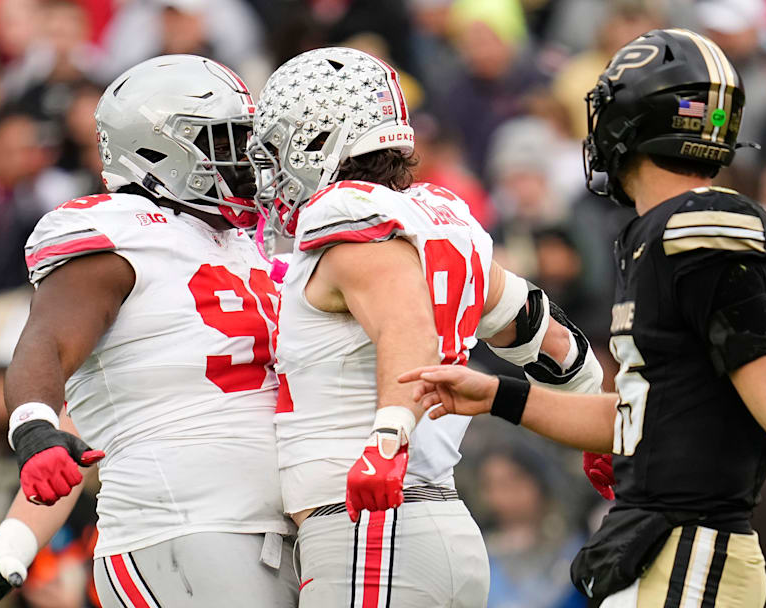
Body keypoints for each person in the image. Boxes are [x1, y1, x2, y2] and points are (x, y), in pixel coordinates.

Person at [399, 29, 766, 608]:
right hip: (662, 543)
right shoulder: (659, 232)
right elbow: (643, 417)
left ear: (634, 122)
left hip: (692, 547)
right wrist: (495, 396)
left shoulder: (702, 228)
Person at [247, 46, 608, 607]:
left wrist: (387, 439)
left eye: (281, 143)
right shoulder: (435, 220)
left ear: (321, 138)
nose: (273, 167)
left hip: (371, 527)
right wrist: (591, 421)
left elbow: (405, 326)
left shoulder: (347, 224)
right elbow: (550, 339)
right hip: (440, 525)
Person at [0, 54, 296, 608]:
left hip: (282, 524)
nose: (248, 159)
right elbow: (46, 341)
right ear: (158, 149)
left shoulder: (253, 246)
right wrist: (32, 433)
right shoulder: (117, 233)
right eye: (227, 142)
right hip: (181, 526)